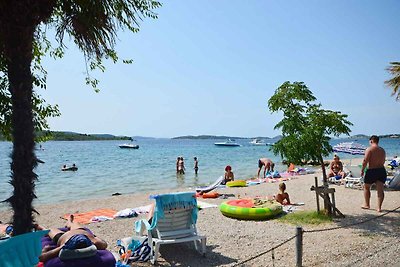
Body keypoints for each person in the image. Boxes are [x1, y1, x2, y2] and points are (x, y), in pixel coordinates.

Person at [38, 215, 108, 262]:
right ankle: (69, 222)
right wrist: (94, 237)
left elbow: (42, 257)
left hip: (63, 237)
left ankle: (41, 227)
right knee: (74, 223)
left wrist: (46, 248)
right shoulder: (94, 242)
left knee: (49, 230)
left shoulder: (64, 246)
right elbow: (104, 244)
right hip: (81, 231)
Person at [361, 135, 387, 212]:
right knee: (380, 190)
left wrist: (362, 170)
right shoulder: (382, 150)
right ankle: (379, 207)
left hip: (372, 170)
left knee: (366, 187)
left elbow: (365, 161)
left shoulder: (369, 149)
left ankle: (367, 204)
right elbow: (383, 161)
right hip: (381, 170)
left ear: (371, 141)